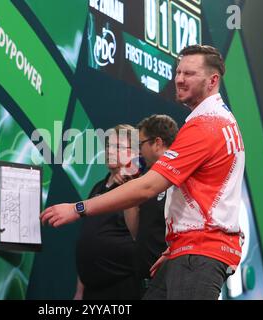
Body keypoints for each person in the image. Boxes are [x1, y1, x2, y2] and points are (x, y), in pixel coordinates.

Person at [42, 44, 245, 300]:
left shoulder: (207, 125)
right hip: (187, 251)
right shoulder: (219, 120)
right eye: (178, 72)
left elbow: (147, 188)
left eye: (189, 74)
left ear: (213, 80)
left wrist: (77, 208)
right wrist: (175, 247)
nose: (179, 80)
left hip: (199, 253)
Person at [74, 124, 140, 300]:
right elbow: (87, 240)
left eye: (118, 147)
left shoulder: (139, 190)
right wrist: (80, 290)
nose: (110, 151)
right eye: (109, 146)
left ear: (134, 153)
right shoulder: (97, 187)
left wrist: (129, 181)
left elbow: (141, 238)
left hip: (122, 290)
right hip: (90, 291)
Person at [135, 115, 178, 296]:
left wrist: (79, 209)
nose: (139, 152)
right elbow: (137, 233)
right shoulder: (145, 179)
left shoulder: (180, 179)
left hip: (172, 283)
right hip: (147, 284)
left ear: (157, 143)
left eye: (141, 144)